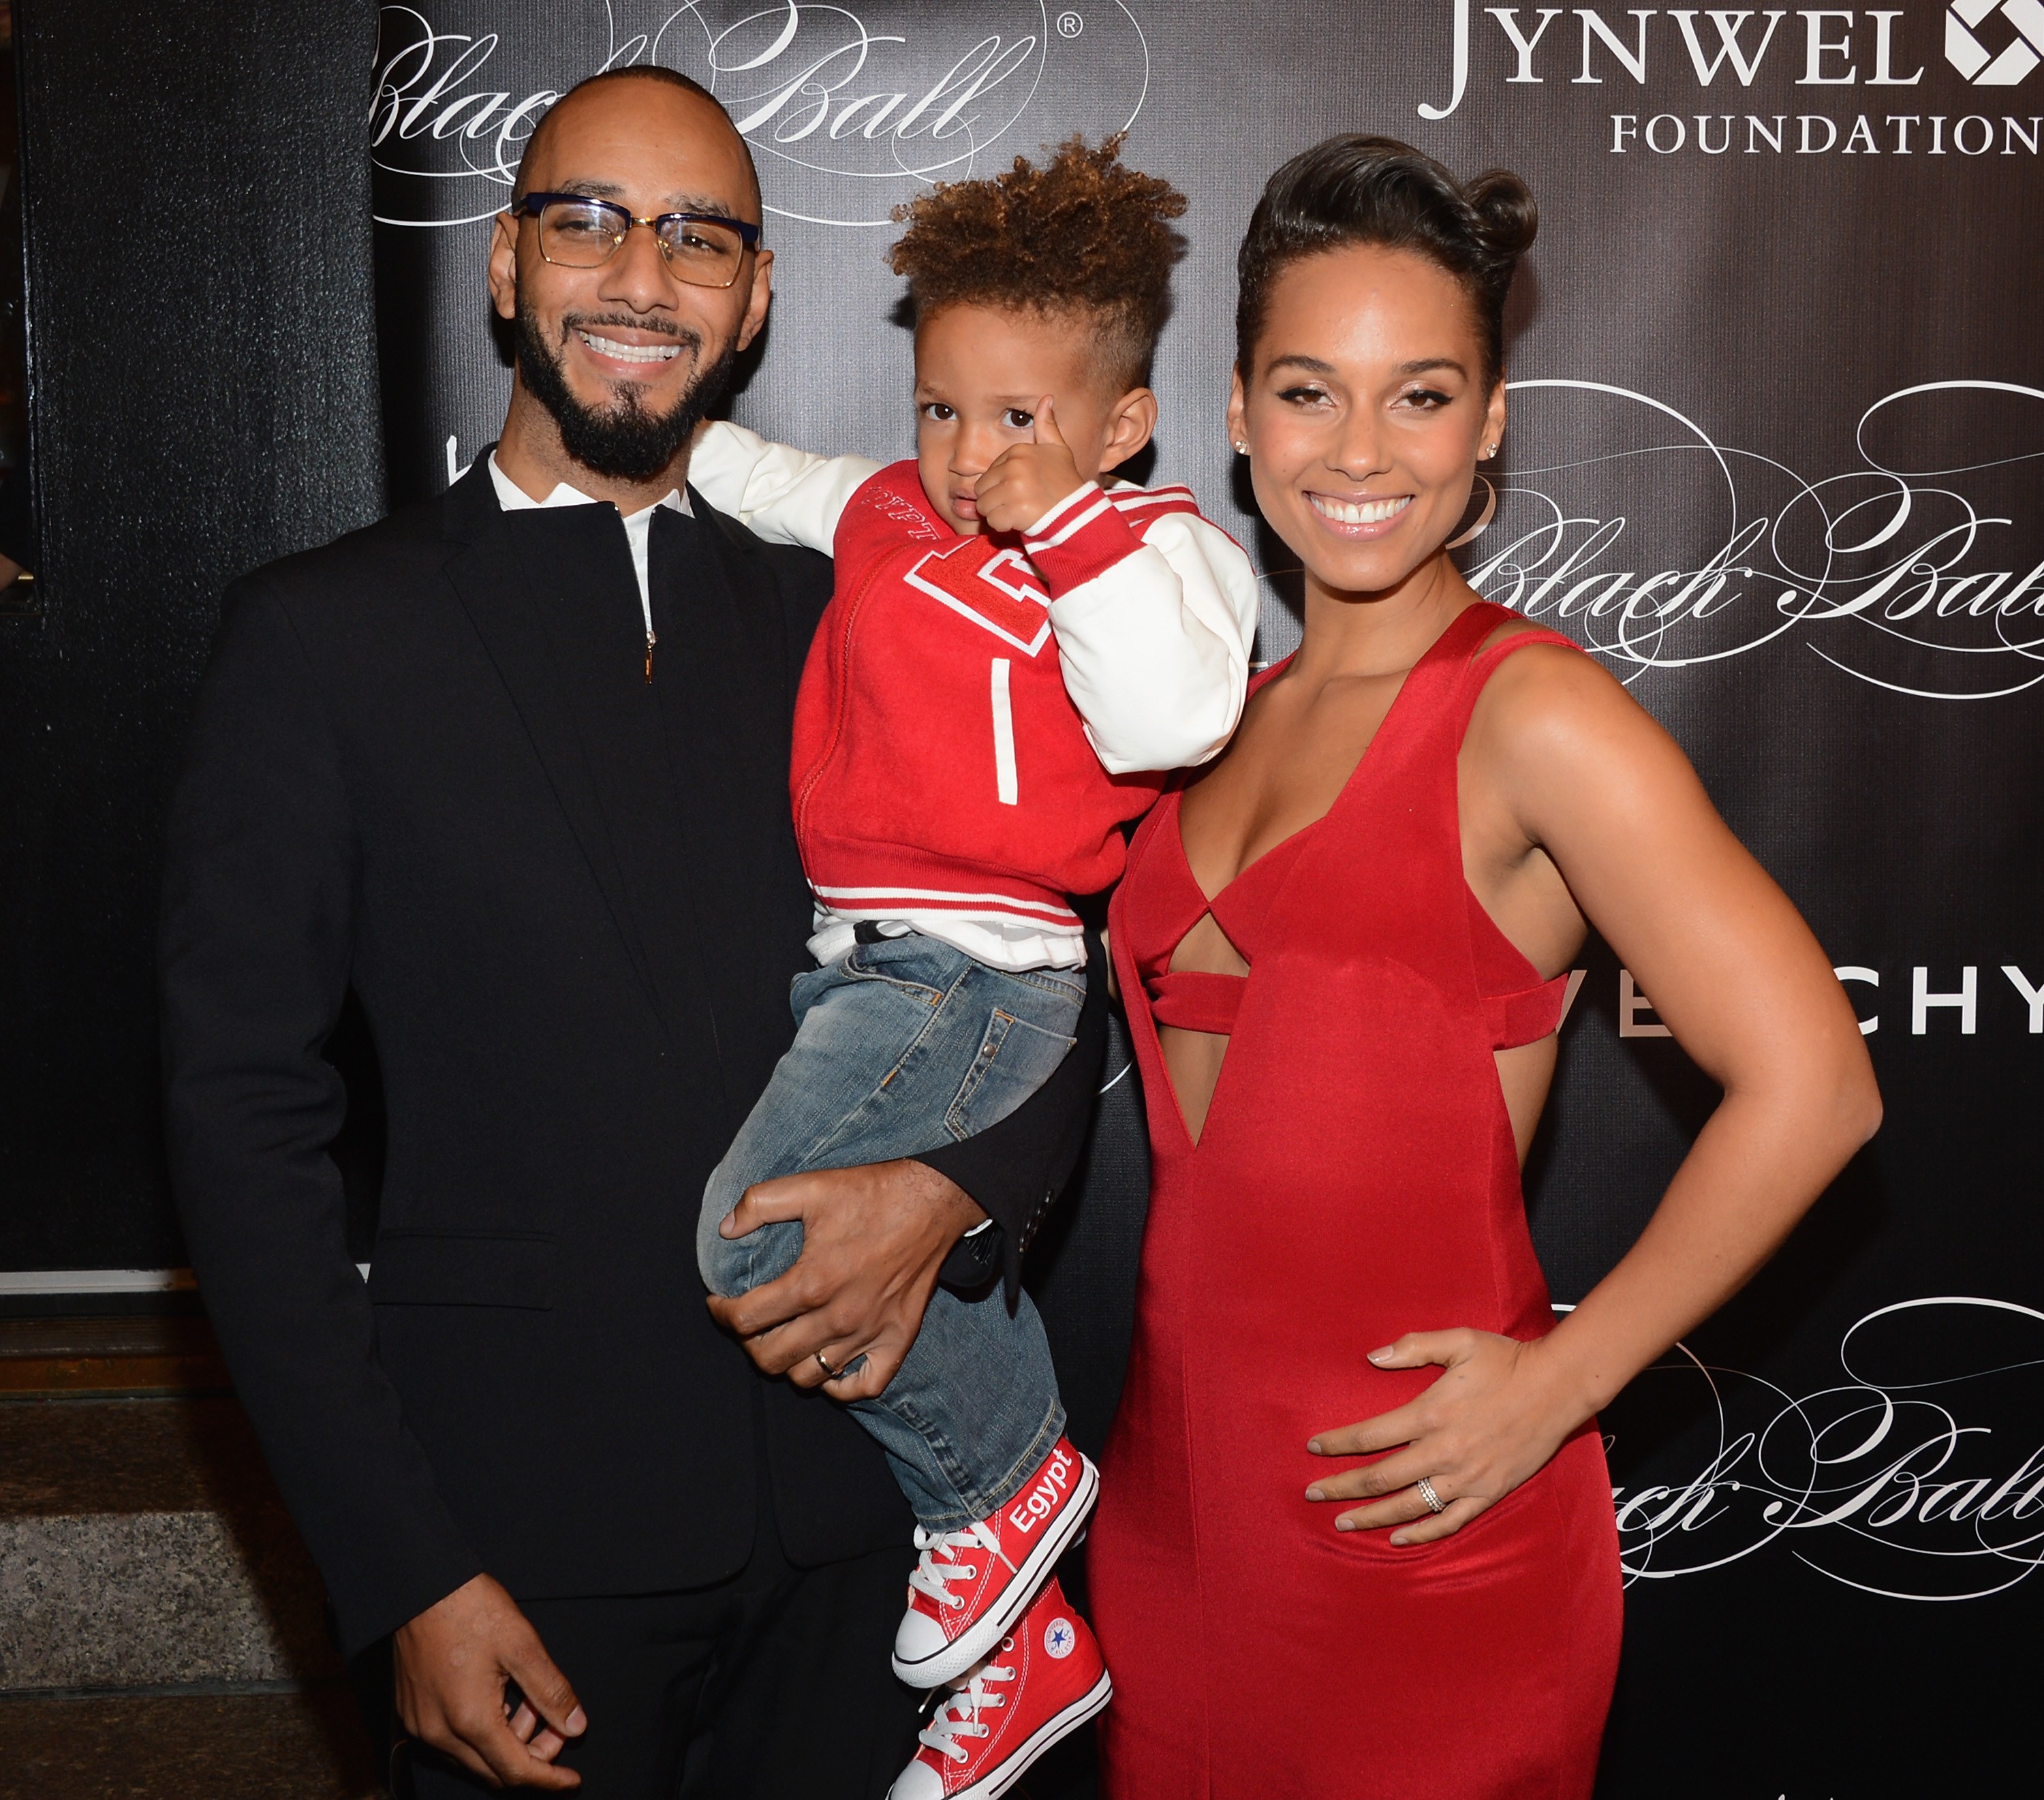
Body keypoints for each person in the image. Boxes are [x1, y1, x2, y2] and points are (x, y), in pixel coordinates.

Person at [159, 67, 1110, 1798]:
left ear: (752, 303)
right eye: (586, 218)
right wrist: (404, 1572)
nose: (640, 275)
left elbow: (1039, 951)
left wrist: (963, 1187)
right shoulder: (320, 640)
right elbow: (239, 1124)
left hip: (869, 1527)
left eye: (697, 237)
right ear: (508, 267)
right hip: (522, 1556)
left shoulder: (857, 606)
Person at [1087, 136, 1883, 1797]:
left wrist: (1565, 1386)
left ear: (1495, 419)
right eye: (1309, 390)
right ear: (1235, 410)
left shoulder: (1531, 714)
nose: (1360, 450)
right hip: (1172, 1524)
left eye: (1423, 395)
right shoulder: (1202, 714)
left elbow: (1817, 1085)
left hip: (1428, 1543)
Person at [685, 138, 1258, 1799]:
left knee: (747, 1233)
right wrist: (660, 442)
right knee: (825, 1293)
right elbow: (769, 478)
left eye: (1021, 418)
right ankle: (1027, 1651)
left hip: (985, 976)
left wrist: (1066, 526)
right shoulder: (884, 509)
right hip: (861, 969)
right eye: (945, 408)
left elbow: (1167, 720)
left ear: (1123, 424)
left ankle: (1009, 1484)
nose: (971, 455)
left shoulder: (1156, 549)